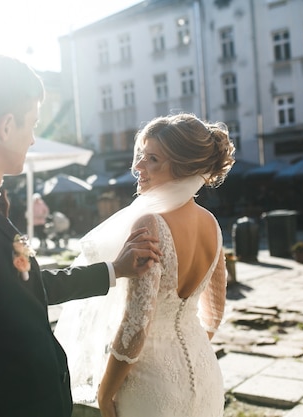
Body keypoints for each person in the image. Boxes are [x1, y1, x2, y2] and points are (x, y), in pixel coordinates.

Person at [0, 51, 162, 417]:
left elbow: (28, 284)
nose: (33, 140)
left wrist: (114, 269)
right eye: (32, 125)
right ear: (7, 126)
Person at [54, 113, 235, 417]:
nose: (138, 167)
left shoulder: (150, 224)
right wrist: (187, 346)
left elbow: (136, 325)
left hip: (153, 386)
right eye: (141, 156)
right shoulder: (212, 225)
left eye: (152, 159)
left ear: (182, 167)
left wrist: (105, 394)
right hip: (206, 374)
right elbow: (214, 313)